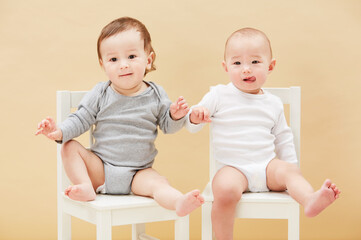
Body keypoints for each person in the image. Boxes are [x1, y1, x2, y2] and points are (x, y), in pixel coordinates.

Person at [35, 17, 204, 217]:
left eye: (132, 56)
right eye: (113, 59)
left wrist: (175, 116)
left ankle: (178, 202)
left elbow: (168, 126)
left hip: (138, 173)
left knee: (159, 183)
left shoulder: (157, 94)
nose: (123, 65)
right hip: (101, 169)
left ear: (148, 60)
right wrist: (59, 131)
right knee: (69, 146)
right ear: (103, 64)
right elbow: (81, 119)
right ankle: (85, 186)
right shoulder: (101, 93)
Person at [186, 27, 341, 239]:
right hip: (233, 168)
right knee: (224, 188)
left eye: (255, 62)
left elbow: (284, 138)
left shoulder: (273, 103)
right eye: (237, 63)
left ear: (271, 66)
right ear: (225, 67)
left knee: (289, 171)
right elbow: (192, 122)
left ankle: (309, 200)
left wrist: (290, 168)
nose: (246, 69)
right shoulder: (219, 95)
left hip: (266, 167)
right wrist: (196, 115)